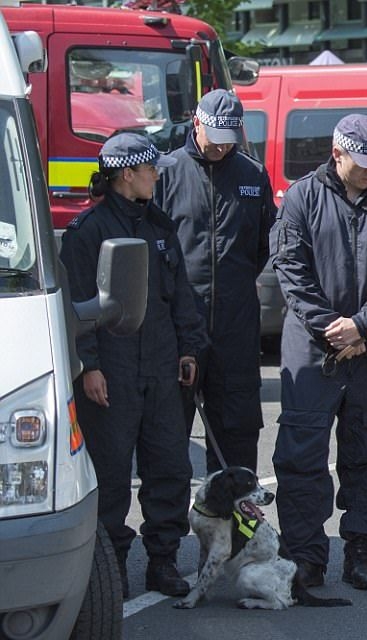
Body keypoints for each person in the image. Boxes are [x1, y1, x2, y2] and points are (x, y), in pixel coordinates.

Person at [270, 114, 367, 590]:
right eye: (362, 163)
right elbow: (290, 268)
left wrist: (363, 325)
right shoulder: (301, 197)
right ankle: (306, 555)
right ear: (337, 153)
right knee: (301, 451)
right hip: (313, 345)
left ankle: (363, 549)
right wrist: (330, 327)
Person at [60, 132, 208, 598]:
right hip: (114, 369)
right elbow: (76, 303)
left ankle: (162, 561)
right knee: (109, 474)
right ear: (128, 174)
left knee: (169, 467)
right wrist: (89, 366)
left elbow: (179, 293)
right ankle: (111, 568)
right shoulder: (89, 232)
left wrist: (189, 348)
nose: (157, 176)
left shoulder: (159, 226)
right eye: (150, 170)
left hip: (162, 366)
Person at [154, 89, 276, 474]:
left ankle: (238, 527)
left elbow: (262, 247)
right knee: (169, 437)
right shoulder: (167, 172)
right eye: (216, 139)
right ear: (197, 124)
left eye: (230, 141)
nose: (222, 149)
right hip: (179, 327)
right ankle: (167, 534)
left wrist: (234, 287)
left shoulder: (252, 175)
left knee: (237, 434)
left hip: (236, 328)